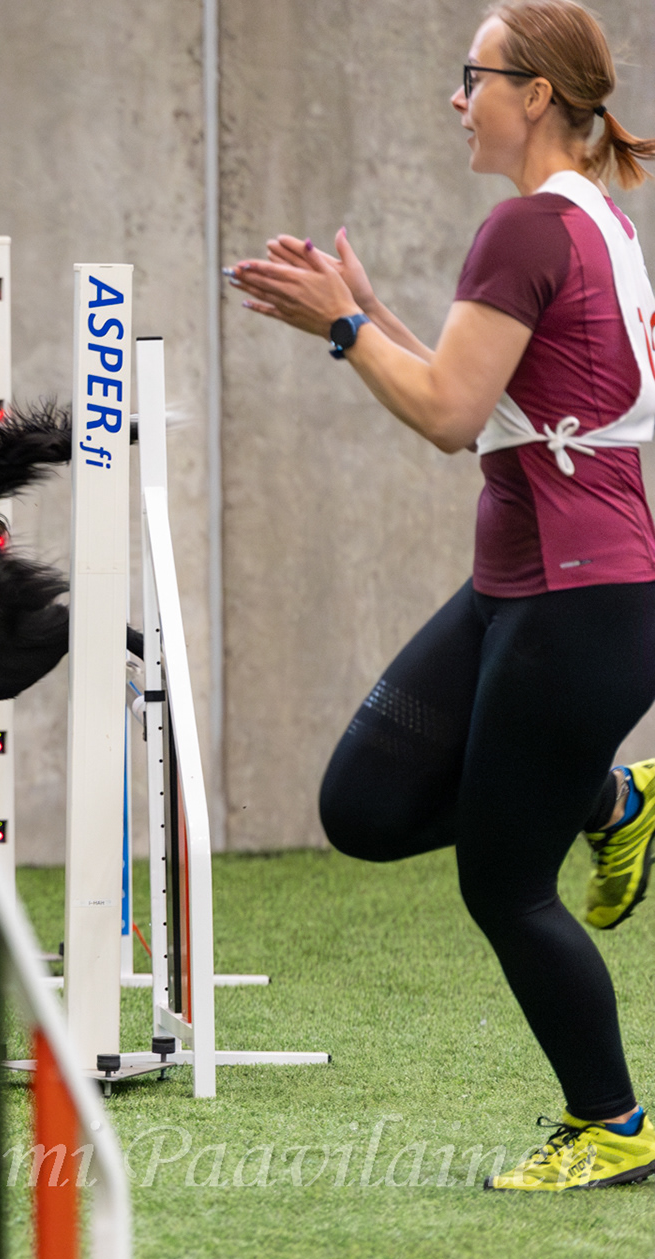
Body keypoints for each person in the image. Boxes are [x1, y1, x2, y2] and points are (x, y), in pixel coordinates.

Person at [228, 0, 655, 1191]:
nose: (458, 100)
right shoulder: (586, 217)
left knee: (503, 883)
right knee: (365, 805)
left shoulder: (528, 224)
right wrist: (366, 317)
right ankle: (611, 797)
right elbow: (486, 394)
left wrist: (342, 325)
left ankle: (613, 1123)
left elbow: (449, 416)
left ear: (536, 93)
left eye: (474, 76)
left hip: (578, 604)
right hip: (526, 590)